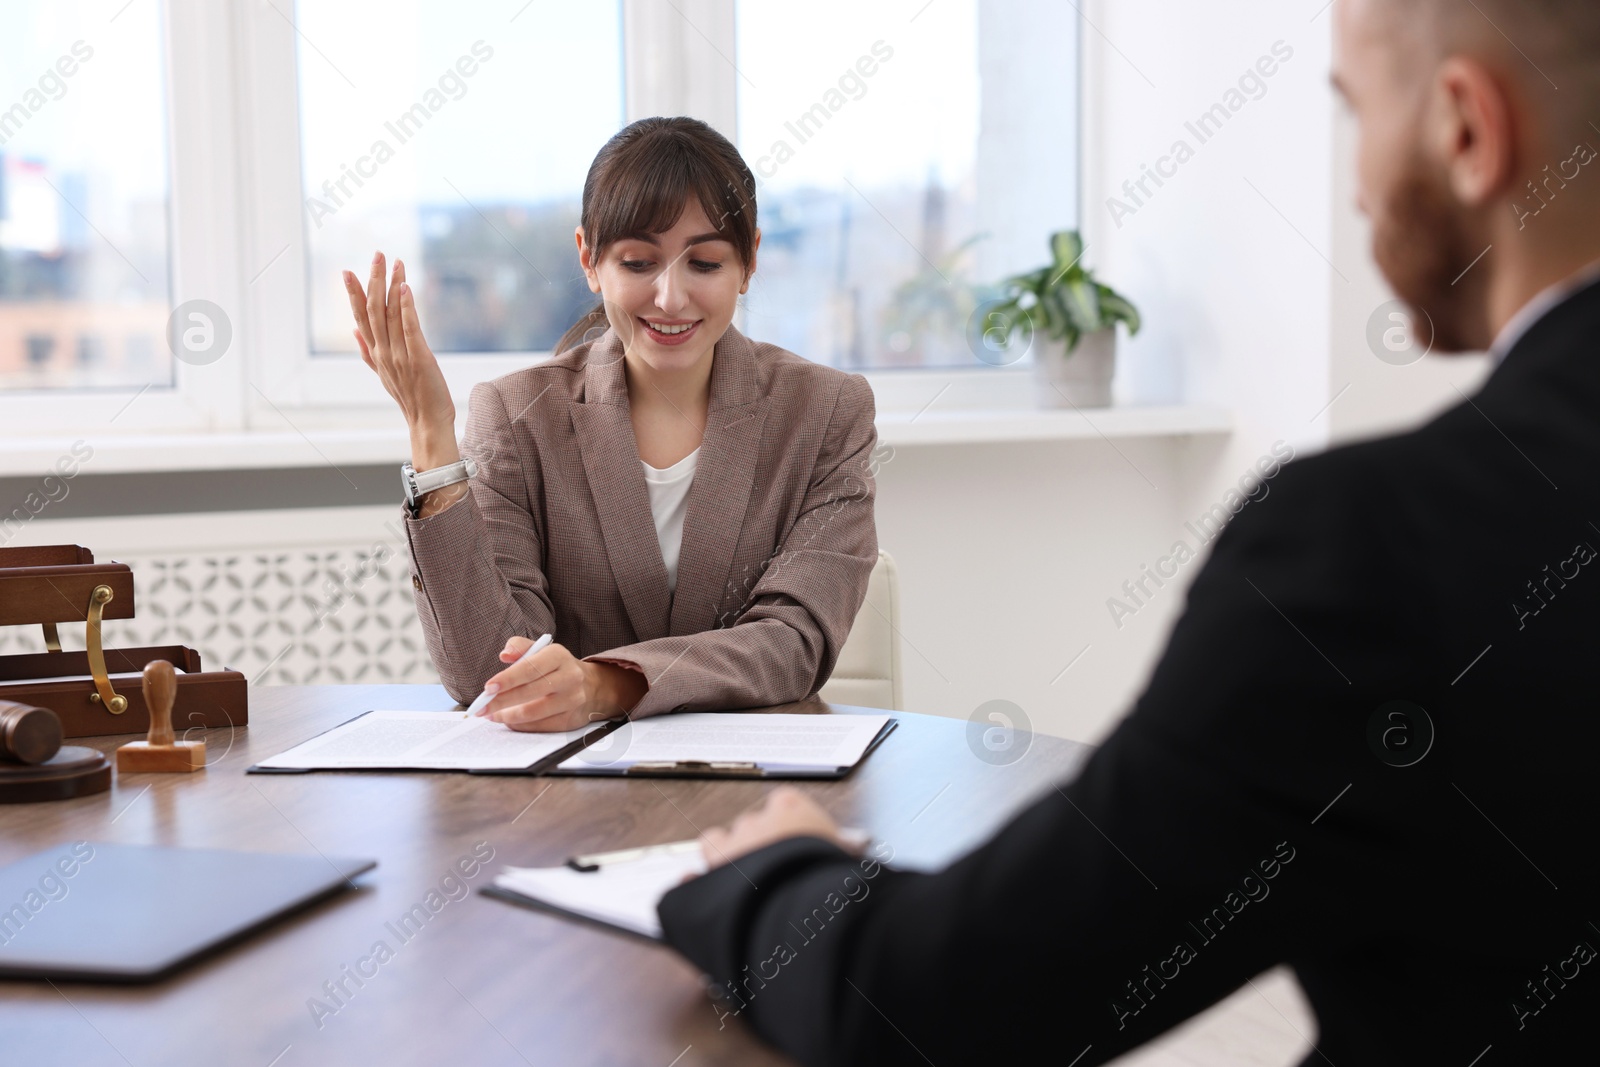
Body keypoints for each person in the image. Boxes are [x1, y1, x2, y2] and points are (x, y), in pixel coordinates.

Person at [658, 1, 1600, 1062]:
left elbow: (935, 1005)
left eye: (1358, 114)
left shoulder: (1375, 548)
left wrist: (775, 870)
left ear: (1467, 130)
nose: (1355, 184)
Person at [342, 117, 878, 731]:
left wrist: (606, 684)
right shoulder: (517, 417)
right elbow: (481, 676)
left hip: (757, 777)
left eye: (704, 264)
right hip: (570, 795)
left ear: (749, 263)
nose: (671, 298)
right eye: (638, 262)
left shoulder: (827, 412)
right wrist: (431, 433)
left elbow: (794, 643)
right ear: (590, 261)